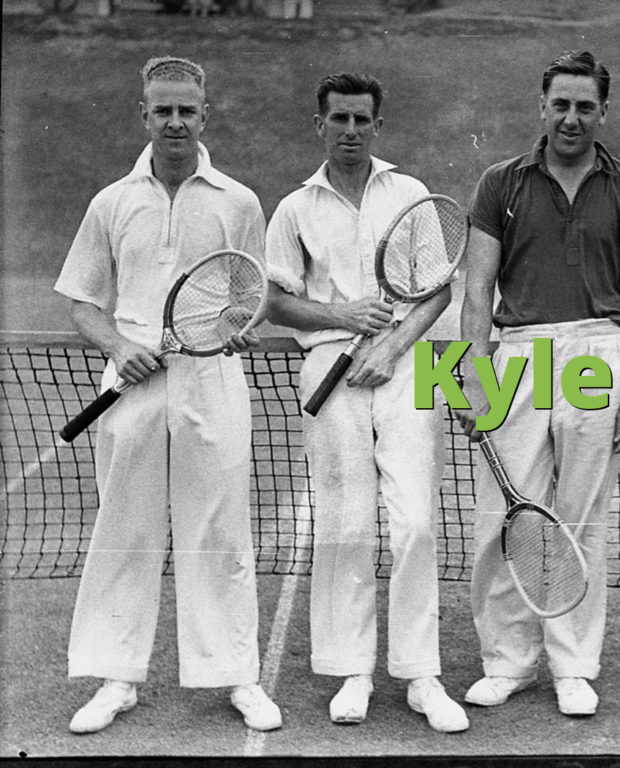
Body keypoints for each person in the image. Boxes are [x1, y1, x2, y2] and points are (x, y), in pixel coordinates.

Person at [55, 56, 281, 733]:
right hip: (132, 386)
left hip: (212, 383)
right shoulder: (111, 202)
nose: (175, 121)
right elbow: (83, 301)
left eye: (187, 110)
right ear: (144, 115)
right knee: (125, 527)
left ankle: (236, 676)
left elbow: (251, 296)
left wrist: (237, 325)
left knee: (220, 530)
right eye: (163, 110)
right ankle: (117, 678)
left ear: (204, 116)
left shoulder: (239, 202)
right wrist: (119, 346)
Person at [456, 50, 620, 718]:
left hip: (600, 353)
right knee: (504, 516)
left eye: (585, 107)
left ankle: (574, 667)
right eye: (561, 105)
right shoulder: (499, 183)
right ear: (542, 107)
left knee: (580, 520)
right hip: (518, 355)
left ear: (604, 111)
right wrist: (474, 377)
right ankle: (506, 663)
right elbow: (477, 292)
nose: (572, 118)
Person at [263, 72, 468, 734]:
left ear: (377, 126)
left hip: (407, 365)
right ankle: (352, 671)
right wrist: (344, 316)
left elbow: (437, 290)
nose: (350, 130)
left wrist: (393, 345)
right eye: (339, 118)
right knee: (346, 523)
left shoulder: (410, 194)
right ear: (319, 124)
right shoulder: (294, 208)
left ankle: (420, 674)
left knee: (415, 523)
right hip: (329, 367)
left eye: (361, 120)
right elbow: (275, 301)